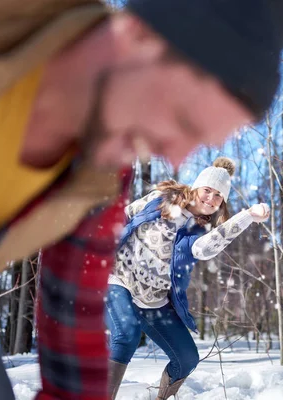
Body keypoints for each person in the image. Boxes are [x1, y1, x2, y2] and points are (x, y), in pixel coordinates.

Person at [0, 0, 283, 399]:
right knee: (125, 333)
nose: (177, 157)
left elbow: (71, 307)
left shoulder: (104, 173)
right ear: (140, 39)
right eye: (183, 119)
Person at [105, 157, 270, 399]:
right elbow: (124, 215)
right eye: (207, 190)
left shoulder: (198, 229)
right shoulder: (159, 200)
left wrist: (247, 217)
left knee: (186, 357)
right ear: (196, 187)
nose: (210, 198)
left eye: (218, 196)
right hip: (118, 281)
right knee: (126, 336)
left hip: (153, 301)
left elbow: (205, 249)